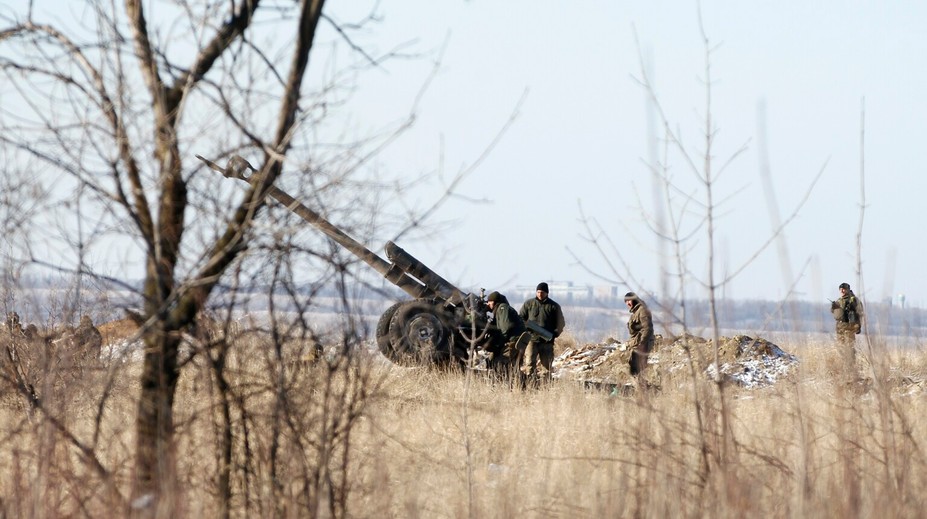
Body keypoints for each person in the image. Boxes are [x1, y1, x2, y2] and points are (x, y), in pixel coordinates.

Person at [519, 282, 565, 385]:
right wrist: (526, 328)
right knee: (530, 364)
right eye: (538, 292)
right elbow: (520, 318)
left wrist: (554, 334)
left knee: (547, 366)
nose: (540, 294)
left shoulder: (554, 306)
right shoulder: (529, 304)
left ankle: (545, 386)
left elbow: (561, 323)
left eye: (542, 292)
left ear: (547, 293)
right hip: (531, 340)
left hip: (547, 341)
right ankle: (531, 384)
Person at [485, 291, 526, 376]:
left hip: (513, 340)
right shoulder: (500, 310)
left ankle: (509, 382)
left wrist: (499, 343)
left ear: (494, 302)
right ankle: (516, 383)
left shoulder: (502, 308)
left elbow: (505, 328)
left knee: (501, 362)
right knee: (511, 365)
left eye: (489, 302)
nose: (488, 304)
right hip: (515, 340)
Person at [831, 282, 863, 374]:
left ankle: (851, 368)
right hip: (840, 328)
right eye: (841, 289)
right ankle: (844, 367)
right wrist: (834, 308)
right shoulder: (839, 301)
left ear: (848, 289)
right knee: (841, 348)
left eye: (844, 289)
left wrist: (858, 326)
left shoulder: (854, 300)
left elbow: (860, 313)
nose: (842, 290)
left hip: (849, 327)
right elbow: (836, 314)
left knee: (850, 348)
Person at [624, 292, 654, 377]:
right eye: (626, 302)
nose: (628, 303)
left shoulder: (642, 310)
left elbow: (647, 328)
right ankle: (638, 388)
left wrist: (642, 343)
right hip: (637, 344)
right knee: (634, 369)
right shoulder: (636, 312)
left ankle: (642, 388)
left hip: (642, 344)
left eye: (629, 300)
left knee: (637, 370)